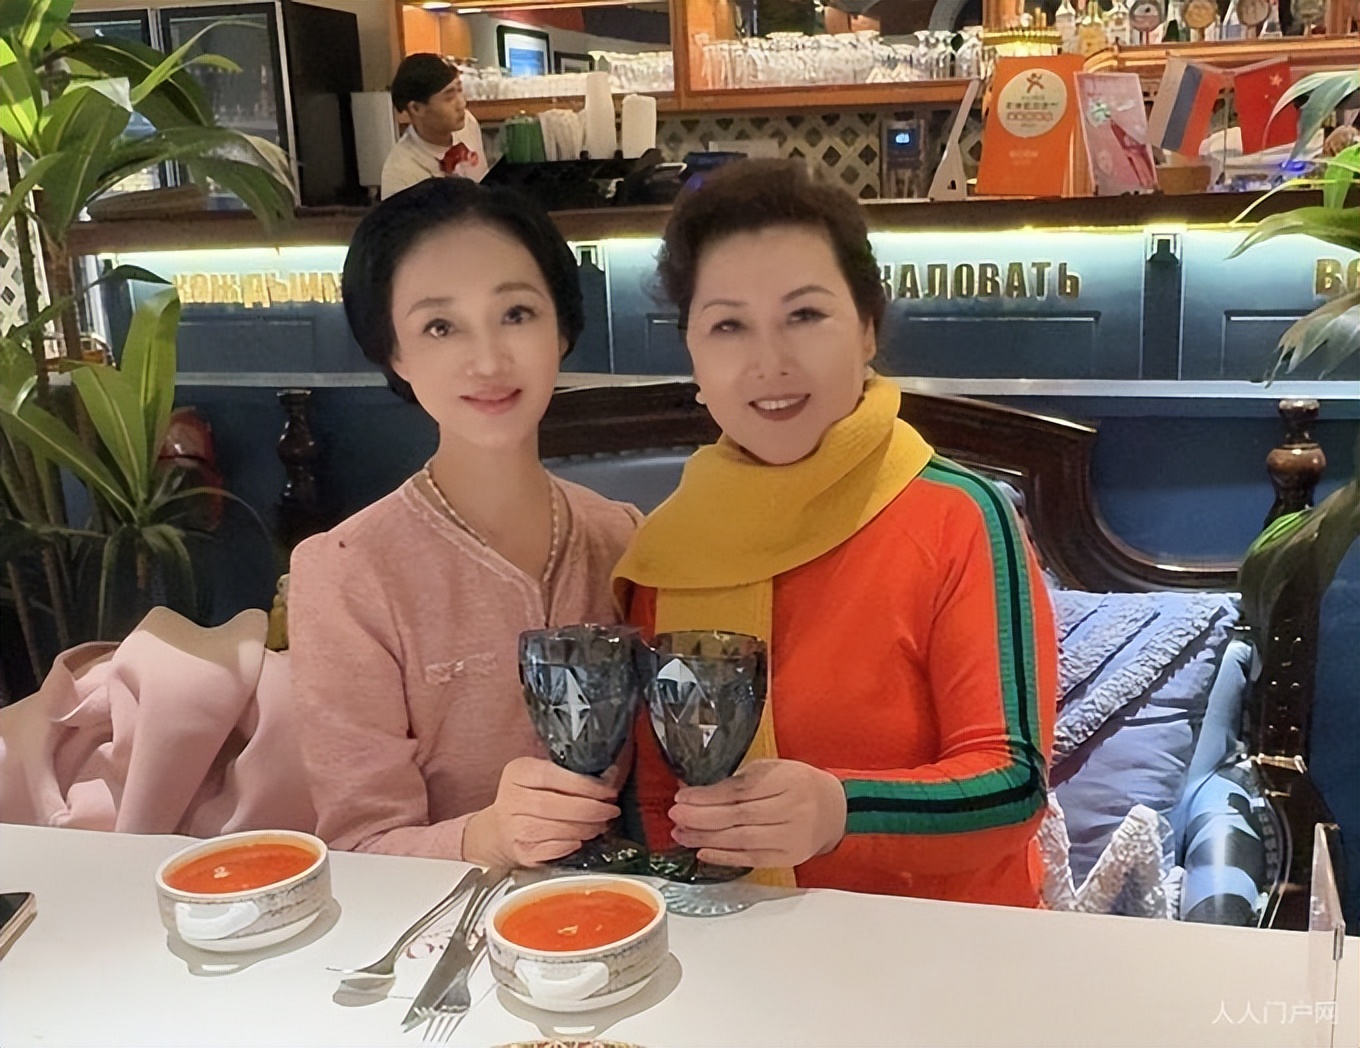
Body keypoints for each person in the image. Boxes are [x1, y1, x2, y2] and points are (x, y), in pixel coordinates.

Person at [614, 159, 1058, 907]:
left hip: (952, 948)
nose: (770, 362)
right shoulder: (670, 549)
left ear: (867, 329)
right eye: (728, 326)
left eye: (805, 316)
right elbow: (663, 804)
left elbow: (1012, 788)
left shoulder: (961, 515)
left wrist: (837, 812)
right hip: (739, 944)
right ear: (692, 353)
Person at [289, 178, 641, 865]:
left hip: (628, 909)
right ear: (394, 351)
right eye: (440, 326)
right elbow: (362, 848)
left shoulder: (623, 539)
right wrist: (487, 837)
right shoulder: (347, 573)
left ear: (562, 328)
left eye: (516, 313)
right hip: (448, 921)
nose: (487, 361)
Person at [380, 53, 488, 200]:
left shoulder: (468, 123)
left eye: (459, 90)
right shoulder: (400, 172)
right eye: (449, 97)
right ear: (416, 108)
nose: (462, 104)